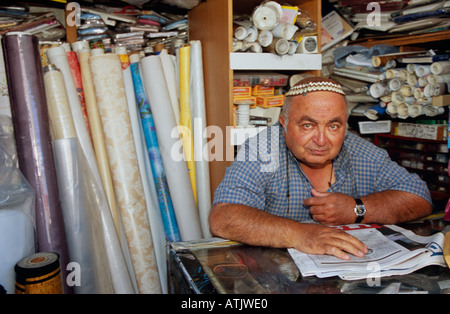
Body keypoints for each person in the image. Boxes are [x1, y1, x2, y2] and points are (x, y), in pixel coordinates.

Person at [209, 77, 432, 260]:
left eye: (333, 126)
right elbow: (224, 217)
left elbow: (420, 197)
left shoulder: (359, 151)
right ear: (284, 123)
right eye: (308, 125)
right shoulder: (261, 149)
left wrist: (357, 209)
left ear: (345, 126)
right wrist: (299, 235)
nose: (322, 140)